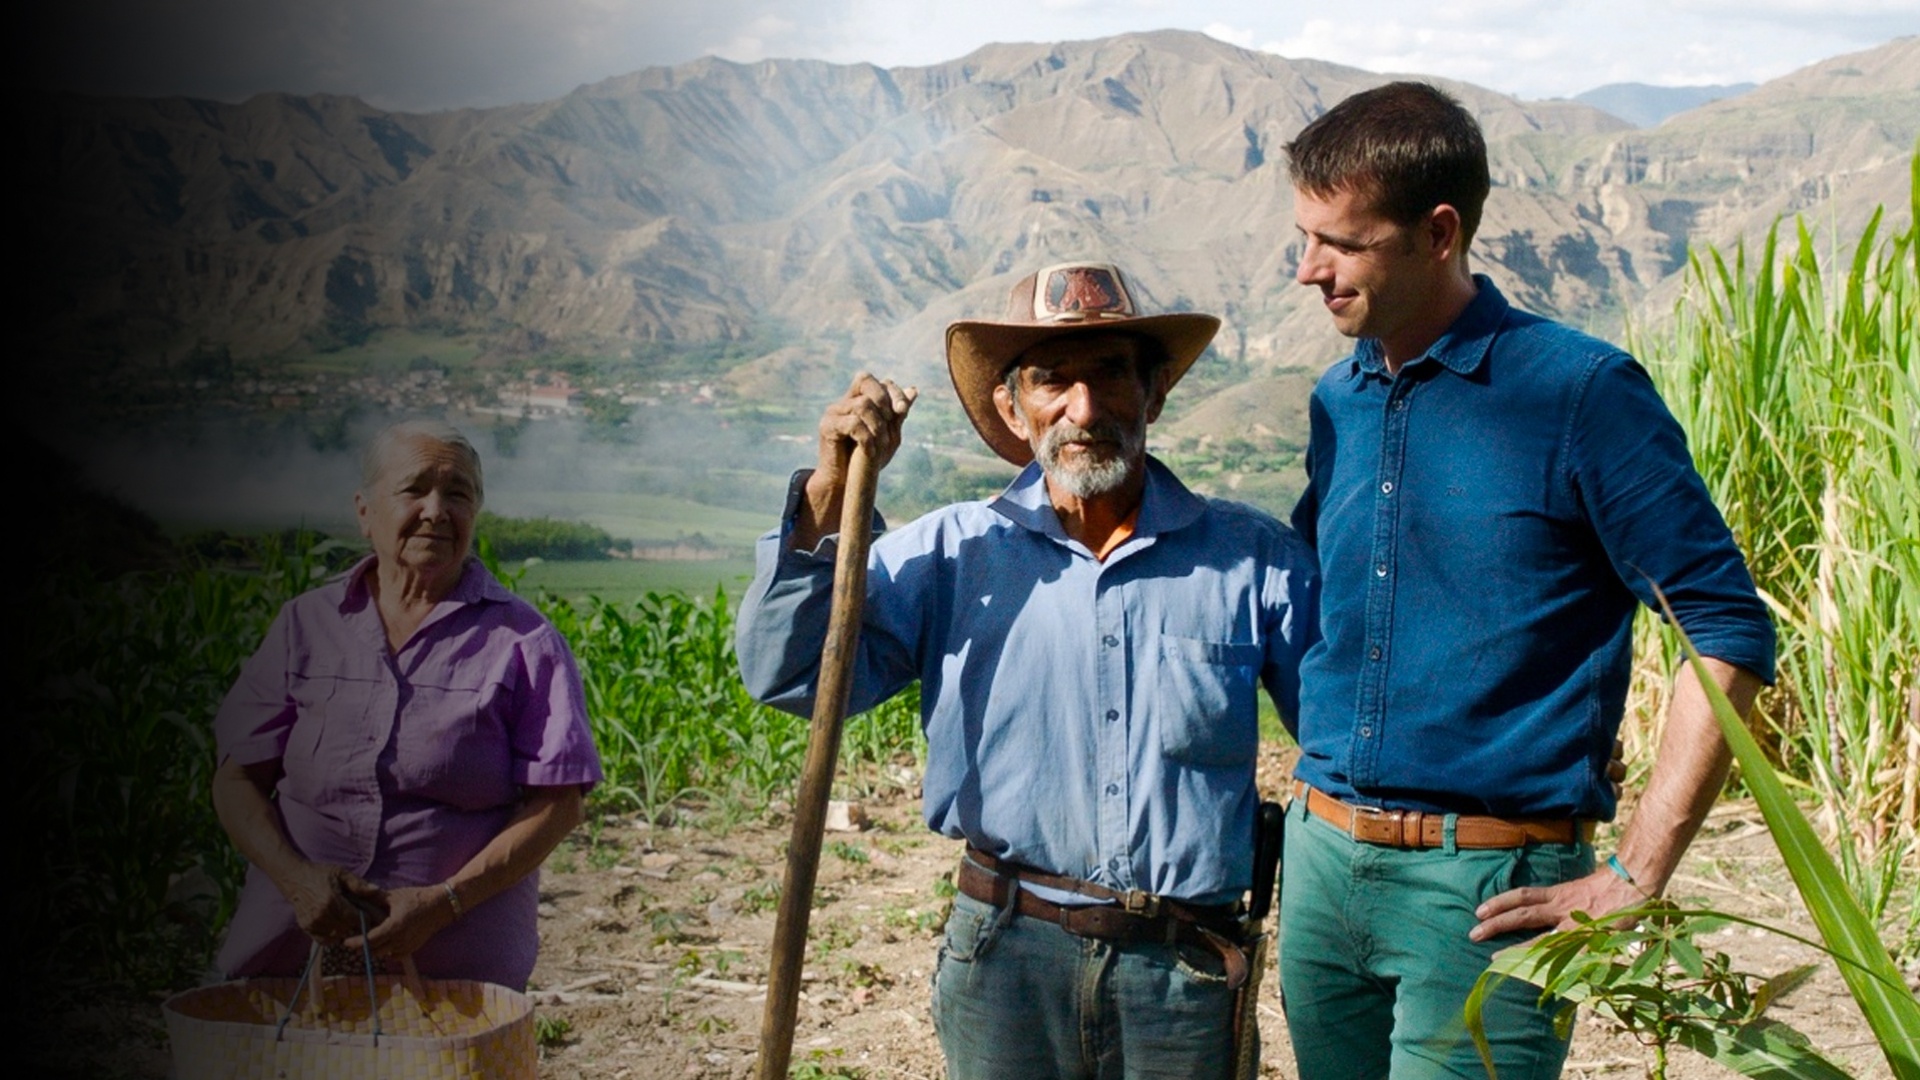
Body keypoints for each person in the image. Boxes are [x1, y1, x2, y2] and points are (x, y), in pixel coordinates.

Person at [1278, 81, 1776, 1079]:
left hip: (1491, 890)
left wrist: (1636, 872)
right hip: (1325, 869)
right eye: (1303, 237)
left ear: (1440, 232)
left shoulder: (1580, 395)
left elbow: (1724, 632)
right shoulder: (1341, 398)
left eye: (1342, 242)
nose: (1308, 271)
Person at [736, 261, 1316, 1080]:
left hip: (1182, 974)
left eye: (1111, 373)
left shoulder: (1253, 560)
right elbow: (789, 673)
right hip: (1007, 957)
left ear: (1152, 395)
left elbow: (1343, 738)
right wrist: (831, 491)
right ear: (1013, 407)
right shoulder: (952, 553)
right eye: (1052, 380)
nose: (1084, 409)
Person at [210, 419, 603, 990]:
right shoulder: (306, 625)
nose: (437, 510)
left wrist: (443, 903)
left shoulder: (526, 642)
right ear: (365, 511)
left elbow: (558, 806)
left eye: (459, 493)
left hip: (453, 960)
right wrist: (298, 883)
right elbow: (237, 779)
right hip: (291, 945)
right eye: (415, 488)